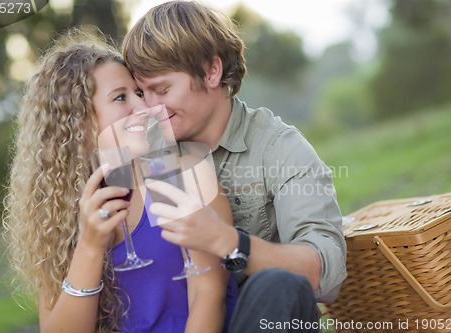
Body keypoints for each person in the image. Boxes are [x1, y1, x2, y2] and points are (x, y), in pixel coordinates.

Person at [123, 1, 347, 331]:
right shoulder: (144, 149)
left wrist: (228, 241)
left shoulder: (279, 148)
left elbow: (325, 275)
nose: (150, 107)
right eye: (143, 92)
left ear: (212, 71)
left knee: (279, 286)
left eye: (162, 89)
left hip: (262, 319)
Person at [2, 29, 237, 333]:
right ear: (79, 120)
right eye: (121, 97)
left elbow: (209, 295)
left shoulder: (182, 172)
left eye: (138, 93)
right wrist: (89, 247)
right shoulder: (57, 214)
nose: (144, 108)